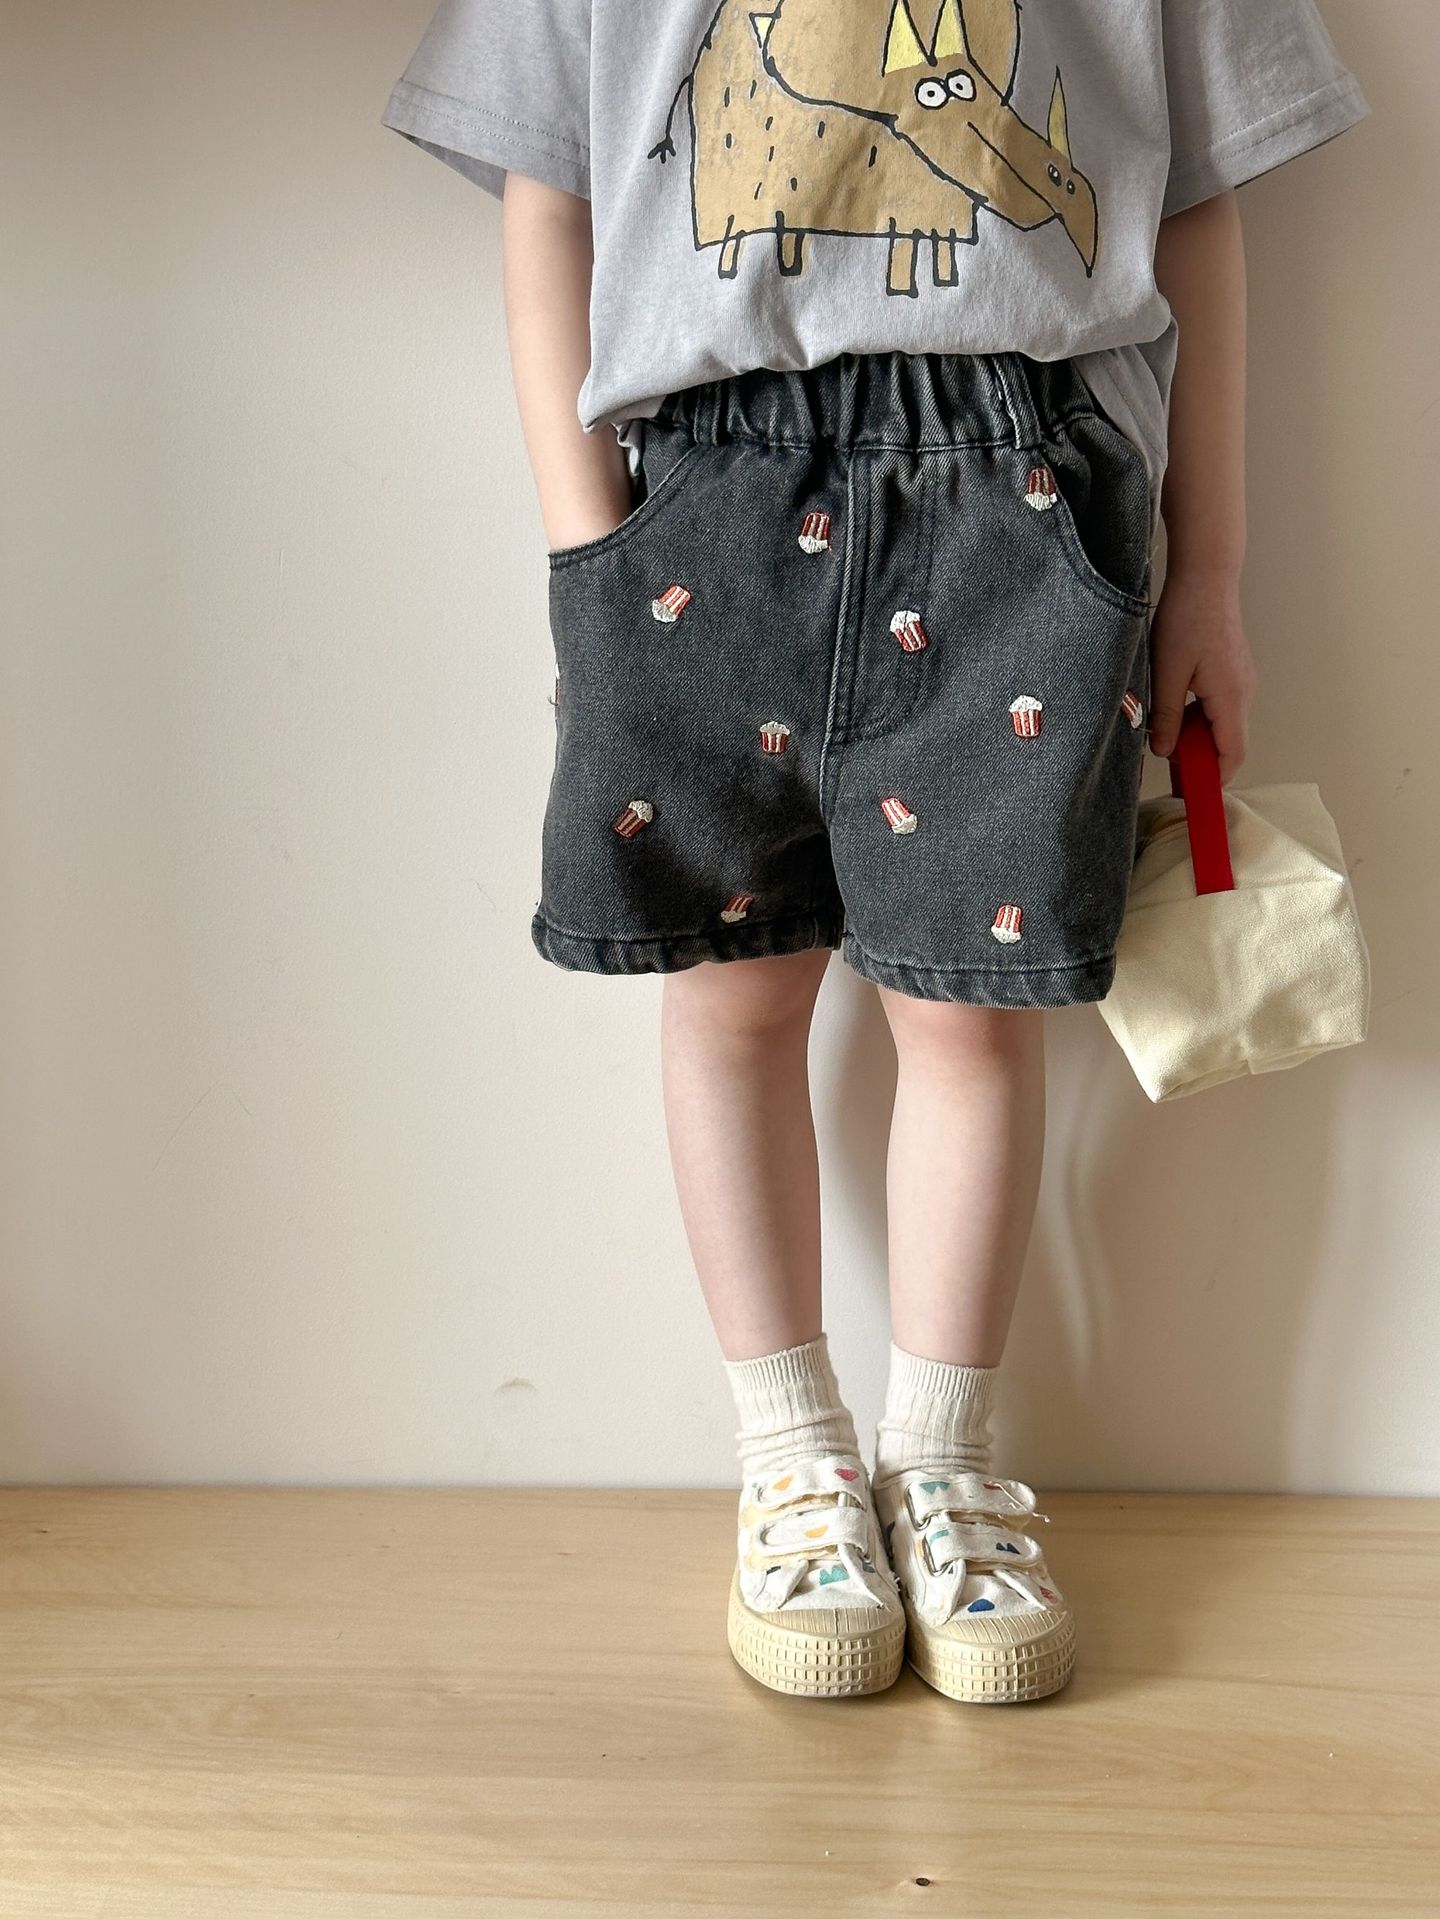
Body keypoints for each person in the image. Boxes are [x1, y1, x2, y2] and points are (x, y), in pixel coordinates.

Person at [382, 0, 1369, 1703]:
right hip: (703, 487)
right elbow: (546, 186)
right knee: (732, 992)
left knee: (970, 1009)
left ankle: (946, 1469)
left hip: (1026, 494)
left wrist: (1211, 573)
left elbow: (1200, 202)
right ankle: (792, 1460)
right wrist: (585, 548)